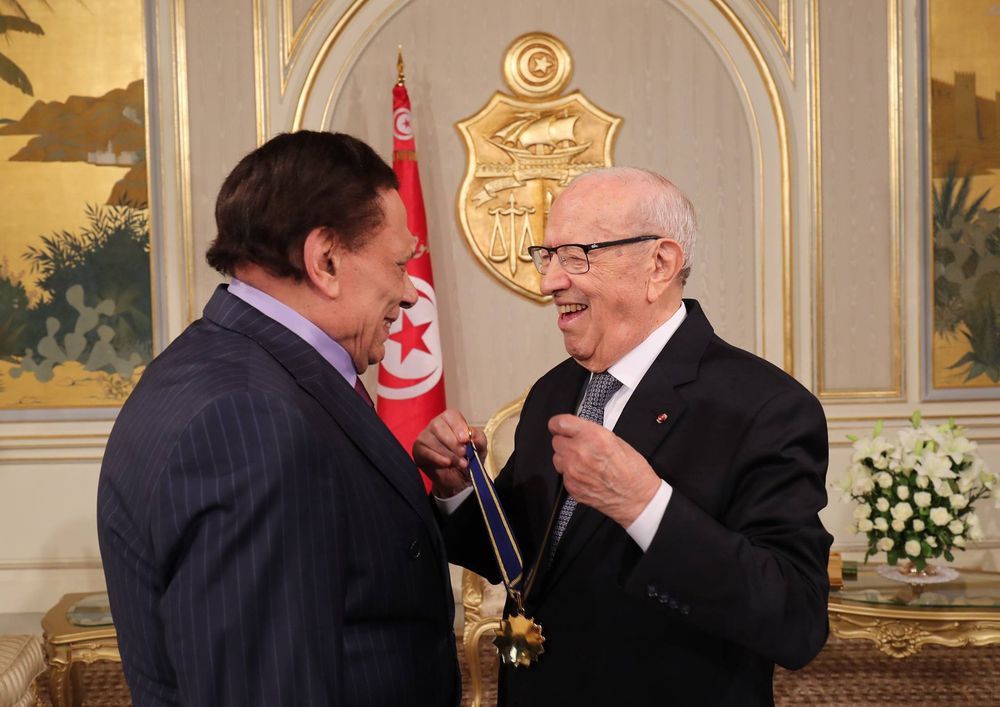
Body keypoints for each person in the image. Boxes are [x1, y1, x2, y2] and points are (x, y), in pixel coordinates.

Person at [415, 167, 832, 705]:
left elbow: (795, 621)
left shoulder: (767, 407)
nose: (548, 282)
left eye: (576, 256)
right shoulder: (554, 390)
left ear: (659, 264)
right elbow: (519, 557)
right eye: (547, 256)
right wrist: (457, 488)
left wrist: (645, 505)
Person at [98, 131, 460, 706]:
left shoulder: (224, 368)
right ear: (325, 259)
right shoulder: (251, 420)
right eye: (398, 264)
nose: (410, 292)